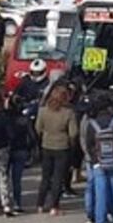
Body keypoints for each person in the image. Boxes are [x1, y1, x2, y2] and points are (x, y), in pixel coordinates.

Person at [35, 83, 79, 216]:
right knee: (58, 178)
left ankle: (40, 204)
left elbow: (38, 128)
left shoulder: (43, 110)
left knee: (46, 177)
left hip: (46, 145)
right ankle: (54, 206)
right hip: (62, 147)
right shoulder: (68, 112)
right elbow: (73, 133)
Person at [7, 98, 38, 213]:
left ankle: (2, 202)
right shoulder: (25, 120)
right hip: (21, 149)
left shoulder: (5, 118)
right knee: (17, 179)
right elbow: (32, 136)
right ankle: (17, 203)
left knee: (3, 178)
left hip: (7, 149)